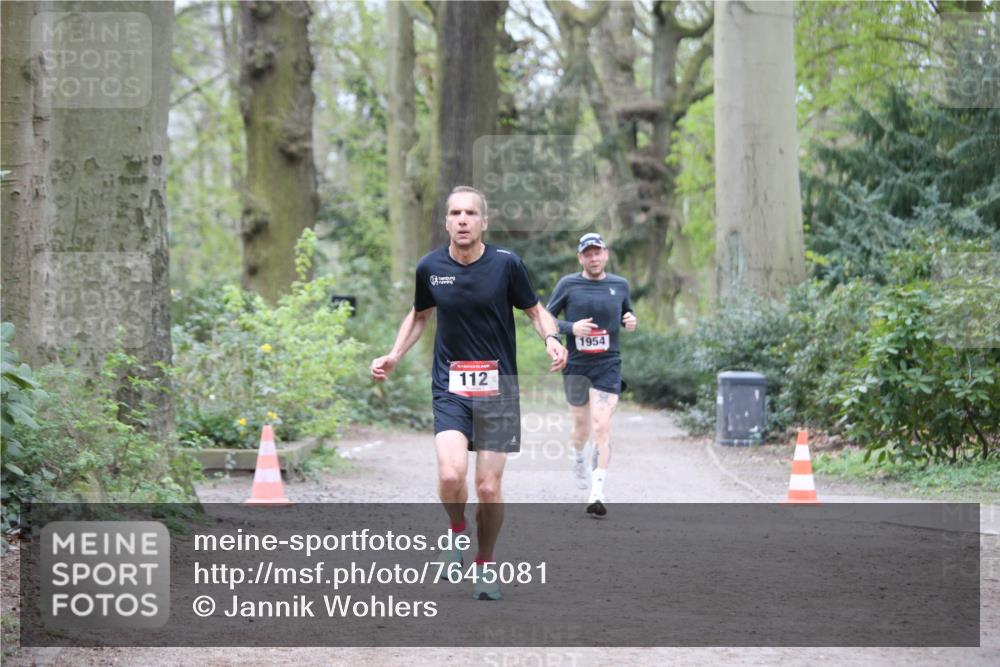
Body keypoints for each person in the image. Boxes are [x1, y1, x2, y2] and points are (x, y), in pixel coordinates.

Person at [370, 185, 568, 600]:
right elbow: (419, 315)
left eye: (470, 213)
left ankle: (486, 563)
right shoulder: (430, 267)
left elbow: (534, 310)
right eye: (455, 213)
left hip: (498, 391)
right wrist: (394, 355)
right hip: (450, 387)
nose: (462, 220)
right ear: (446, 221)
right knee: (449, 474)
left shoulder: (506, 265)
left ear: (484, 222)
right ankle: (457, 534)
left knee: (489, 488)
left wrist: (551, 337)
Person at [545, 232, 637, 517]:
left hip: (608, 364)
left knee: (601, 425)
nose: (594, 258)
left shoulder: (619, 285)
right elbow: (546, 320)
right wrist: (572, 328)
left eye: (598, 252)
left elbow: (627, 314)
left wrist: (630, 319)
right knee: (581, 428)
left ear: (606, 255)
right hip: (577, 366)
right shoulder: (568, 285)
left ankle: (597, 491)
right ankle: (577, 456)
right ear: (580, 257)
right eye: (588, 253)